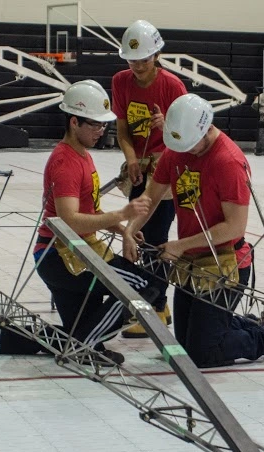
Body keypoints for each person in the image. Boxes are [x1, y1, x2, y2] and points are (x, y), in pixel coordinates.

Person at [0, 81, 166, 363]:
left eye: (104, 125)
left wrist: (121, 230)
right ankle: (86, 350)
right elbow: (70, 222)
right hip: (67, 257)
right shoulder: (65, 162)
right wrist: (123, 215)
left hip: (64, 255)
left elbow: (89, 211)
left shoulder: (83, 156)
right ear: (74, 121)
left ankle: (1, 333)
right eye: (94, 125)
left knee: (75, 334)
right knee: (145, 286)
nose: (101, 132)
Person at [122, 93, 264, 368]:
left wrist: (180, 245)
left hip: (226, 263)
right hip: (191, 262)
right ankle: (247, 322)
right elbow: (150, 198)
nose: (185, 152)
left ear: (207, 128)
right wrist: (130, 230)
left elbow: (234, 227)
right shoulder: (178, 148)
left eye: (190, 145)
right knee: (185, 346)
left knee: (202, 353)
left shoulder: (228, 162)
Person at [113, 20, 188, 337]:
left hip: (167, 169)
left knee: (155, 236)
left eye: (144, 59)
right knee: (139, 235)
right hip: (138, 169)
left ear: (157, 55)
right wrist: (131, 159)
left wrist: (165, 124)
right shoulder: (121, 82)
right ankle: (156, 303)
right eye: (133, 60)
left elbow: (186, 137)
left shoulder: (172, 86)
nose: (138, 66)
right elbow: (122, 129)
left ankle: (155, 307)